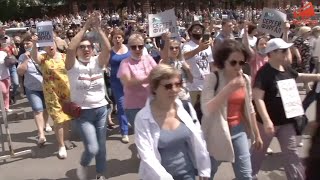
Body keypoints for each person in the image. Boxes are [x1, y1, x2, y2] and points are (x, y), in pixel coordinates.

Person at [251, 38, 320, 180]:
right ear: (272, 53)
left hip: (287, 121)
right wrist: (266, 120)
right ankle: (247, 176)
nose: (287, 53)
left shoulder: (285, 68)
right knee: (258, 153)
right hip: (266, 123)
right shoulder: (264, 73)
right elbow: (257, 98)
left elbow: (298, 77)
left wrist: (317, 77)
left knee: (291, 153)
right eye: (283, 50)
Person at [135, 64, 211, 180]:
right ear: (154, 88)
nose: (174, 90)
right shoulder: (143, 118)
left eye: (178, 84)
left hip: (187, 174)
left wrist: (204, 169)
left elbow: (198, 140)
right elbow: (147, 156)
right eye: (168, 86)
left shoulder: (186, 108)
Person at [201, 39, 262, 180]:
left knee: (246, 175)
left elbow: (249, 107)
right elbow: (207, 109)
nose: (238, 66)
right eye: (233, 62)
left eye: (242, 62)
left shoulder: (245, 79)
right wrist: (229, 88)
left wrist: (256, 134)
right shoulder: (213, 78)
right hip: (216, 130)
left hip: (238, 130)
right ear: (223, 61)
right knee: (208, 173)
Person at [65, 12, 111, 180]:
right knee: (92, 148)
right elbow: (70, 48)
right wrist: (85, 27)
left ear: (93, 50)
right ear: (77, 50)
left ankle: (100, 174)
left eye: (89, 47)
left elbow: (108, 48)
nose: (86, 49)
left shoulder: (98, 62)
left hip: (101, 109)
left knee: (102, 146)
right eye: (82, 47)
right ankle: (84, 164)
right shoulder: (72, 66)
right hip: (83, 113)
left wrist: (98, 28)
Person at [30, 33, 73, 159]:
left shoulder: (64, 57)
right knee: (58, 120)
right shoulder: (43, 58)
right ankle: (61, 146)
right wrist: (34, 44)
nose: (50, 47)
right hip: (51, 94)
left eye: (51, 44)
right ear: (44, 48)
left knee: (66, 119)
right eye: (46, 46)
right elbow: (34, 56)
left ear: (55, 44)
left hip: (66, 93)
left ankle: (66, 139)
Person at [117, 33, 157, 129]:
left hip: (151, 103)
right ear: (129, 47)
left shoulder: (149, 58)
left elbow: (157, 73)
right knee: (142, 135)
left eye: (140, 46)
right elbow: (127, 82)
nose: (137, 49)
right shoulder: (125, 63)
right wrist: (147, 79)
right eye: (134, 47)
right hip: (134, 106)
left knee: (155, 133)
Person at [17, 34, 51, 146]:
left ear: (34, 43)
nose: (26, 45)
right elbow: (20, 72)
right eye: (24, 44)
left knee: (46, 109)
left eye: (28, 43)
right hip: (31, 88)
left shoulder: (42, 54)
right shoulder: (22, 56)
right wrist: (26, 60)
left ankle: (46, 123)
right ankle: (41, 134)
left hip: (45, 86)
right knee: (37, 109)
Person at [182, 21, 214, 106]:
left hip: (206, 84)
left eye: (200, 29)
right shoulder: (187, 45)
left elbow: (211, 64)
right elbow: (185, 56)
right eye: (195, 28)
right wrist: (199, 49)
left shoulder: (207, 46)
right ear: (190, 32)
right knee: (193, 110)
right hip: (193, 85)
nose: (198, 30)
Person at [109, 29, 130, 143]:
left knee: (132, 104)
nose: (117, 39)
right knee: (121, 106)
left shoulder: (129, 49)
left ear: (123, 38)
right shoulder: (109, 51)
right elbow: (102, 63)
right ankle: (124, 131)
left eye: (119, 37)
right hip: (116, 82)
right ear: (111, 39)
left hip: (130, 81)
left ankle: (133, 123)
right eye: (115, 38)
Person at [161, 32, 193, 101]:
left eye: (176, 48)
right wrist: (167, 40)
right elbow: (165, 57)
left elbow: (191, 80)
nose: (174, 50)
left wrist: (187, 69)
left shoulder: (181, 61)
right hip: (171, 96)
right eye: (171, 48)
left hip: (184, 95)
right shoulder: (165, 62)